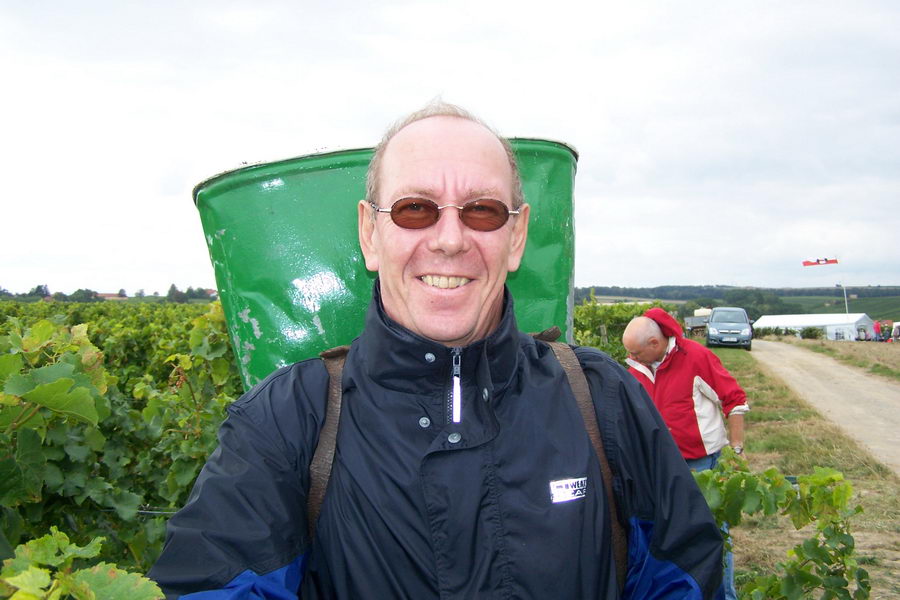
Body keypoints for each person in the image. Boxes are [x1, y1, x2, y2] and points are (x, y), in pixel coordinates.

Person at [149, 103, 724, 599]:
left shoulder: (604, 401)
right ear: (371, 235)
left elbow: (686, 577)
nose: (450, 239)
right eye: (415, 209)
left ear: (516, 237)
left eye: (482, 211)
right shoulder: (284, 420)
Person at [622, 308, 751, 600]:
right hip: (659, 469)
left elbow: (734, 401)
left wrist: (737, 447)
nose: (631, 358)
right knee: (666, 533)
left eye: (635, 352)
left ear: (655, 344)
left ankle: (723, 594)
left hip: (701, 465)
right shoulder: (637, 369)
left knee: (712, 534)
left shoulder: (696, 358)